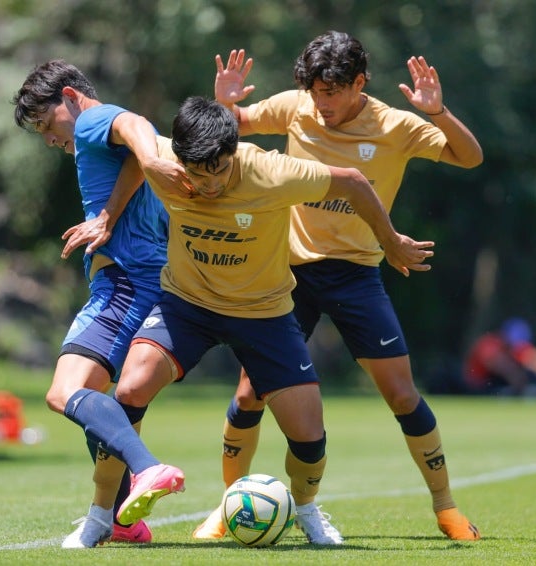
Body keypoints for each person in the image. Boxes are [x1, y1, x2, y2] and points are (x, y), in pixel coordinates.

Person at [192, 31, 484, 541]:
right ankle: (226, 506)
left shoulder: (394, 125)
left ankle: (446, 507)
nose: (321, 103)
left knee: (401, 394)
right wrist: (225, 103)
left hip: (356, 274)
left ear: (359, 83)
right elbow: (225, 131)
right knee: (249, 391)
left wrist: (437, 112)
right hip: (288, 275)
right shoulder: (295, 107)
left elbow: (469, 156)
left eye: (332, 92)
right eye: (315, 92)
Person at [104, 95, 433, 545]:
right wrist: (119, 198)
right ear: (180, 159)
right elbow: (127, 125)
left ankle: (308, 508)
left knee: (308, 435)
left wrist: (390, 241)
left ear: (234, 153)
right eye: (198, 174)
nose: (210, 183)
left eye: (219, 169)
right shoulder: (165, 161)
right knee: (128, 388)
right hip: (188, 304)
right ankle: (110, 514)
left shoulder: (272, 172)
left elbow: (354, 182)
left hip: (264, 313)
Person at [12, 59, 187, 548]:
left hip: (125, 285)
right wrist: (114, 208)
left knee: (63, 391)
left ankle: (148, 470)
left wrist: (149, 162)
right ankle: (116, 517)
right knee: (99, 404)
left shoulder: (91, 120)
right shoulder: (102, 139)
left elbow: (135, 127)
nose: (49, 139)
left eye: (48, 125)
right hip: (144, 281)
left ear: (69, 96)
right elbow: (134, 150)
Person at [464, 318, 536, 397]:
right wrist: (522, 388)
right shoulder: (489, 345)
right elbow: (504, 368)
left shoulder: (516, 347)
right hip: (479, 387)